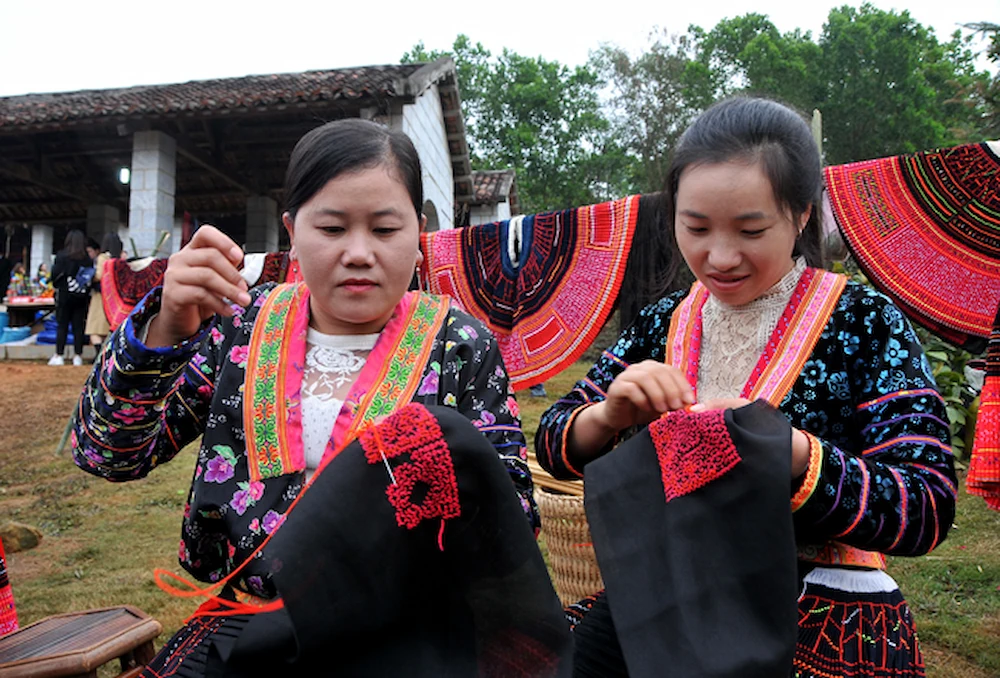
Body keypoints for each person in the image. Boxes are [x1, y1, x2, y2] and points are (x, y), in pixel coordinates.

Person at [72, 119, 541, 675]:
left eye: (385, 229)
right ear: (292, 232)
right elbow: (109, 455)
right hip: (247, 624)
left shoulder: (459, 345)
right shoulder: (242, 326)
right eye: (333, 228)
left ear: (419, 235)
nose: (359, 253)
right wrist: (165, 329)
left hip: (406, 636)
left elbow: (514, 519)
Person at [536, 97, 957, 677]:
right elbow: (553, 440)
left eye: (751, 230)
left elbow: (926, 504)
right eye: (696, 227)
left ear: (802, 215)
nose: (720, 256)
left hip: (815, 606)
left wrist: (792, 452)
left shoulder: (863, 322)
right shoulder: (662, 323)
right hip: (666, 596)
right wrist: (609, 415)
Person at [49, 230, 93, 366]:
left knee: (62, 325)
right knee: (78, 326)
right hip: (81, 297)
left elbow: (54, 276)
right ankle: (78, 356)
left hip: (64, 296)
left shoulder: (61, 256)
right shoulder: (87, 259)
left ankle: (59, 355)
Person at [84, 232, 122, 348]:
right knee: (107, 330)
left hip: (101, 296)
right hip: (115, 297)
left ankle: (99, 354)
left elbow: (100, 275)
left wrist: (89, 277)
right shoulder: (120, 259)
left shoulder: (102, 258)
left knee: (94, 330)